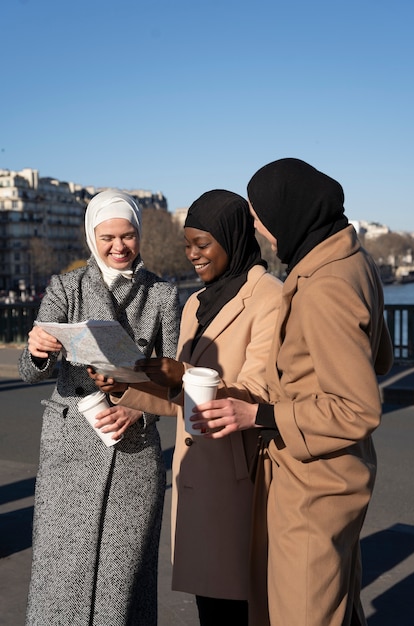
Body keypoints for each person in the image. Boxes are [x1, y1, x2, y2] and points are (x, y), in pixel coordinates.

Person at [190, 159, 394, 626]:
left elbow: (358, 408)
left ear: (289, 210)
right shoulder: (352, 260)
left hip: (312, 482)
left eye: (261, 216)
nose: (258, 228)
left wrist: (262, 415)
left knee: (300, 612)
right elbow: (379, 360)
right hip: (338, 475)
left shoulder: (324, 284)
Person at [90, 189, 283, 626]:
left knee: (240, 606)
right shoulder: (197, 301)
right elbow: (181, 400)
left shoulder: (270, 297)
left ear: (232, 239)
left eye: (203, 244)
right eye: (187, 245)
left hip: (239, 478)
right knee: (209, 606)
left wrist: (183, 375)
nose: (193, 255)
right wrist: (123, 384)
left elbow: (258, 392)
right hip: (194, 475)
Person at [18, 189, 180, 626]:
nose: (119, 246)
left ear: (140, 234)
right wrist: (37, 350)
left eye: (128, 236)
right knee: (60, 578)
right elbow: (30, 372)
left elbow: (177, 383)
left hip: (134, 452)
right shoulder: (65, 286)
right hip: (70, 450)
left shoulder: (162, 295)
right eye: (107, 237)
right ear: (92, 237)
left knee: (123, 581)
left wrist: (138, 409)